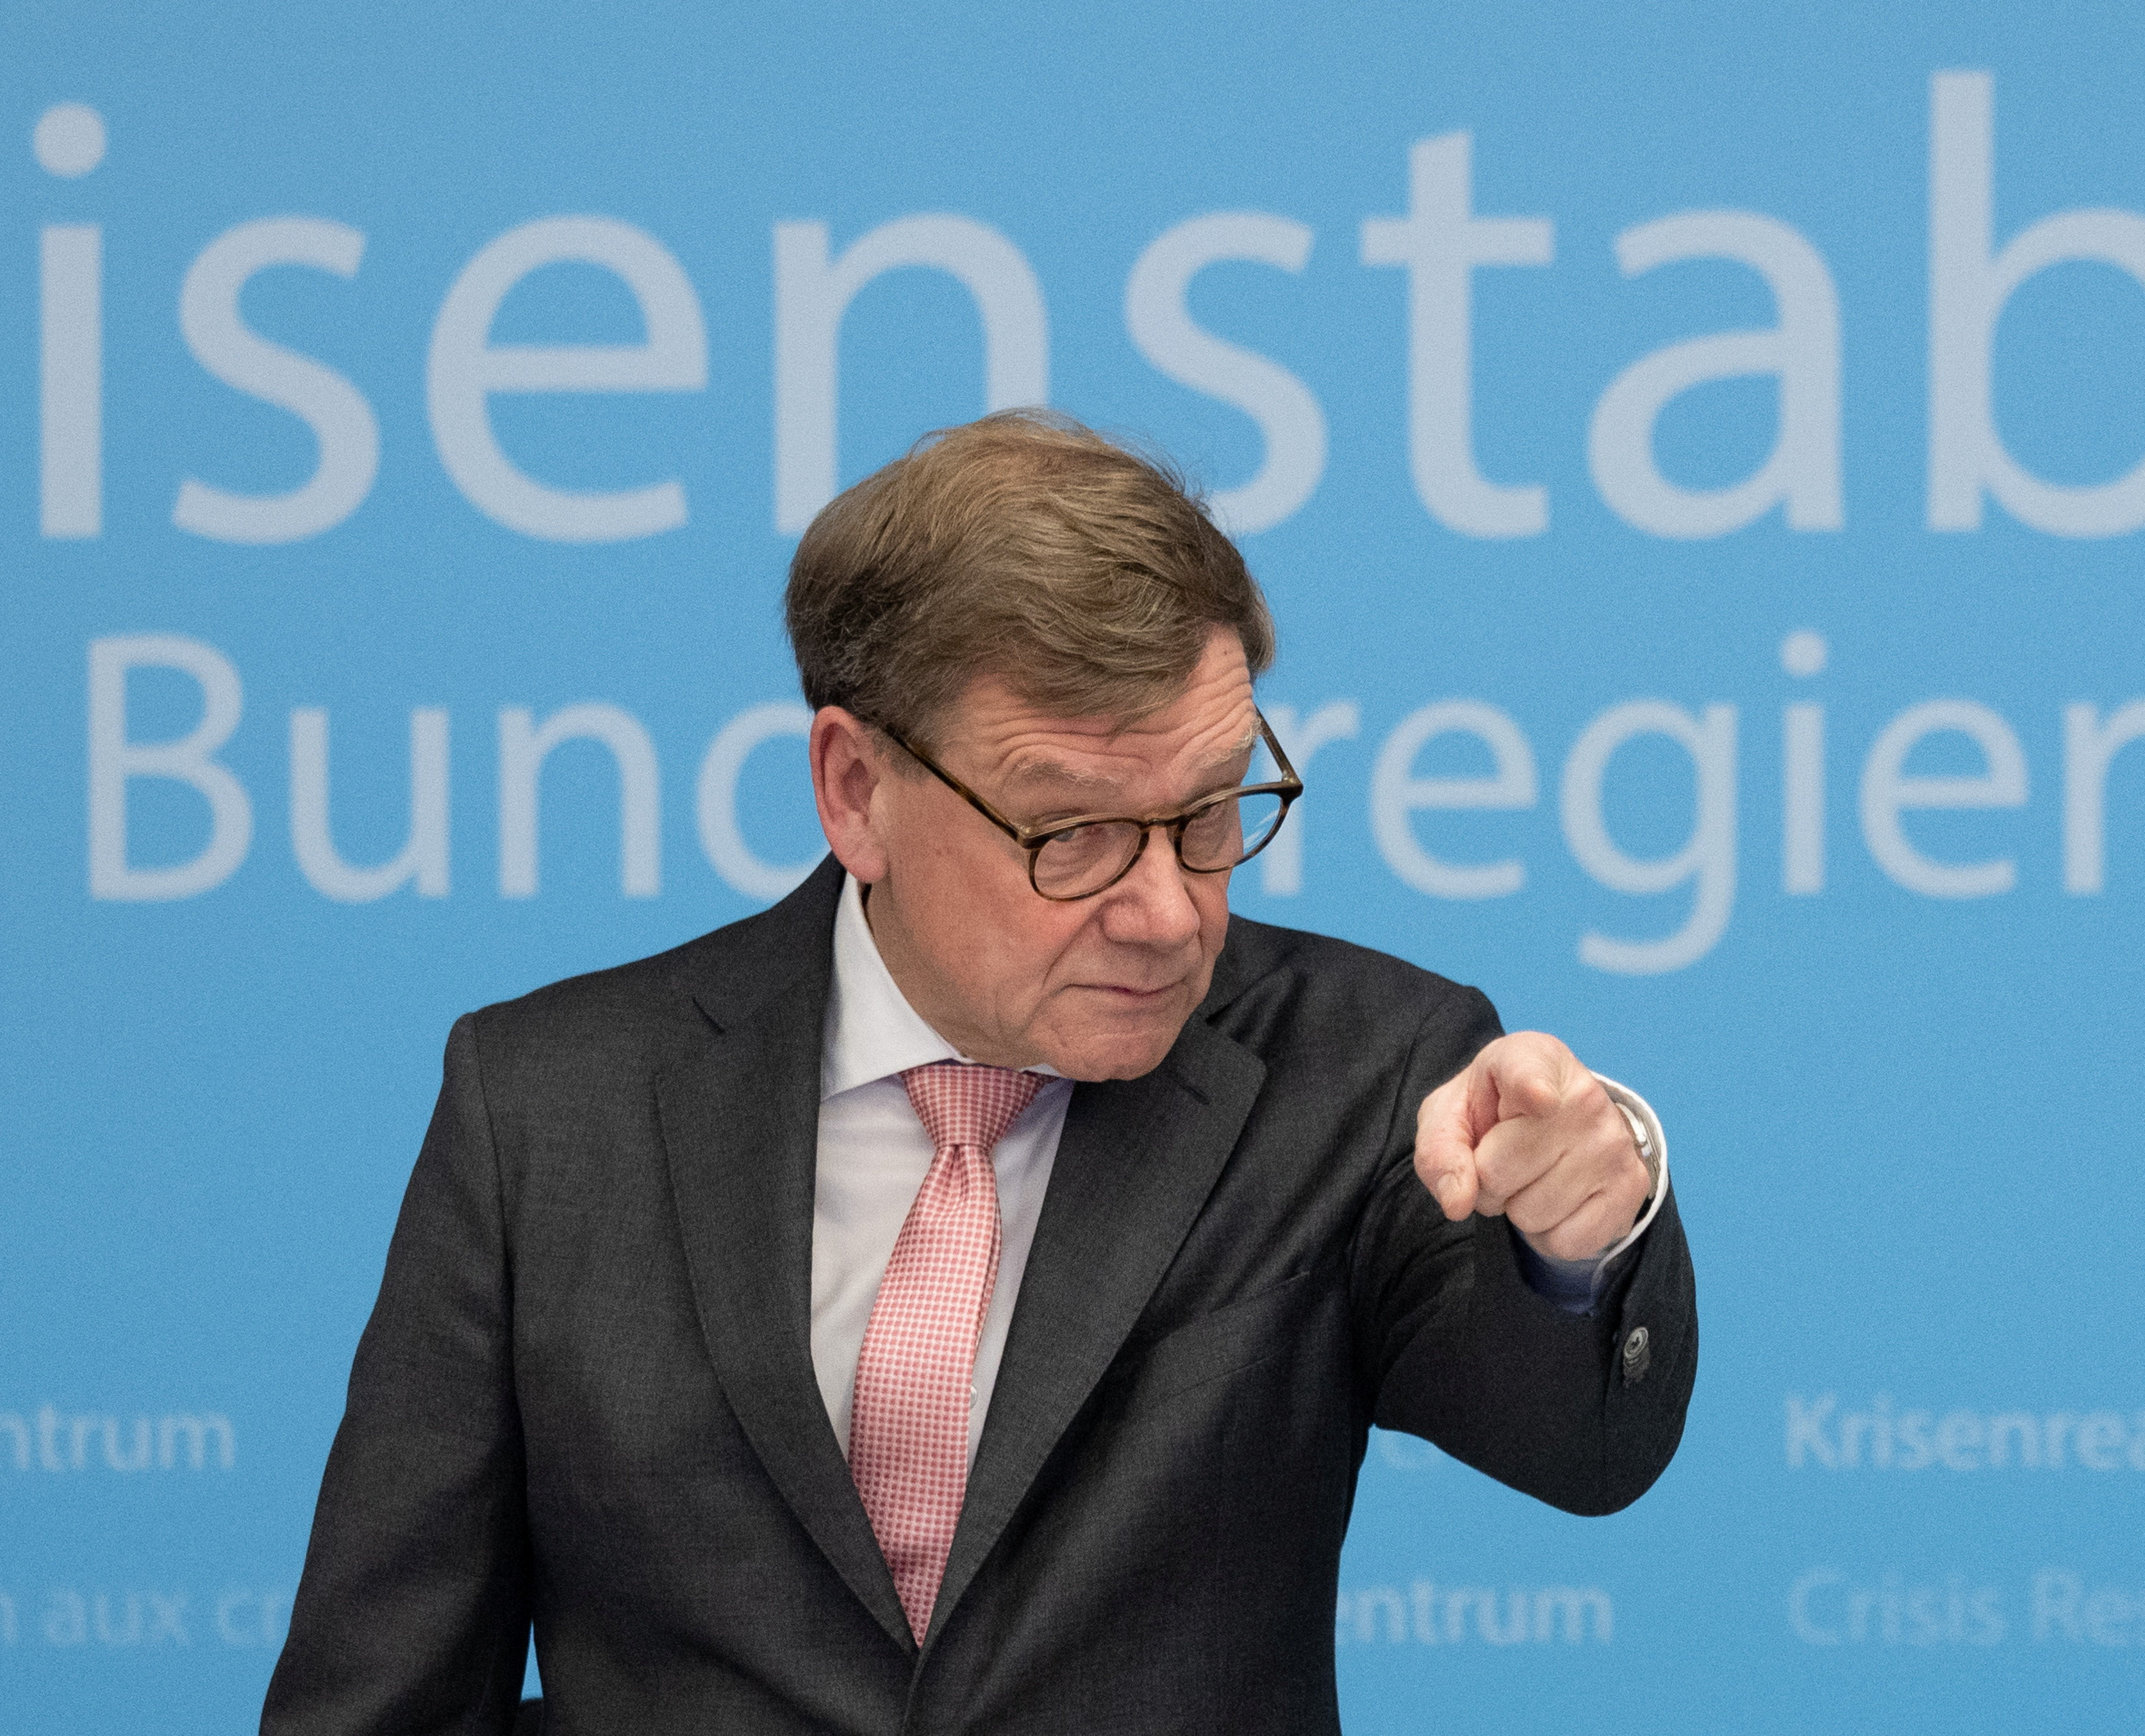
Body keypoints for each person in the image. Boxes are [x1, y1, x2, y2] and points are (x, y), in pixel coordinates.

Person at [261, 411, 1695, 1735]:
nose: (1168, 912)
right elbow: (381, 1697)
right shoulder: (548, 1109)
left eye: (1210, 811)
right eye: (1072, 833)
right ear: (856, 791)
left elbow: (1585, 1444)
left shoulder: (1364, 1068)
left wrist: (1579, 1231)